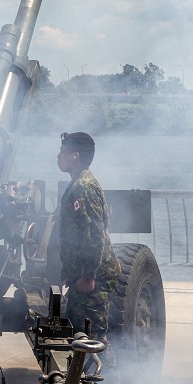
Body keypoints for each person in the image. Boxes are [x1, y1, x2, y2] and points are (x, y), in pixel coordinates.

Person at [55, 131, 121, 343]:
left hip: (94, 279)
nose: (58, 156)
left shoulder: (83, 187)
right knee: (80, 337)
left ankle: (109, 377)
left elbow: (93, 233)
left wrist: (88, 276)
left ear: (75, 156)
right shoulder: (79, 184)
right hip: (85, 276)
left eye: (62, 151)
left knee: (91, 340)